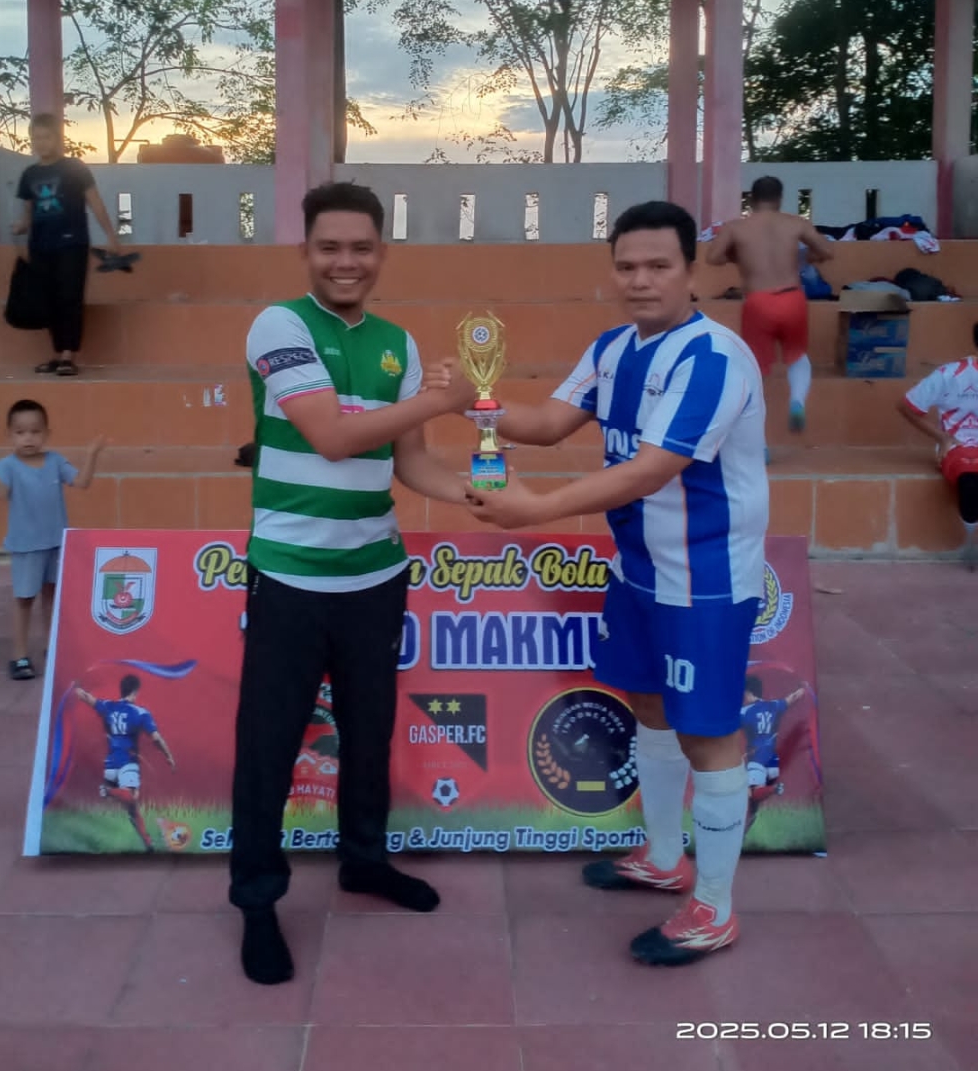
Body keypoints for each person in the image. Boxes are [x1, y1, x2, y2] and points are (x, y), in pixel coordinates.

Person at [460, 200, 768, 966]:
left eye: (658, 265)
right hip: (637, 569)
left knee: (707, 730)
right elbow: (546, 422)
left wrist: (533, 509)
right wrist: (470, 396)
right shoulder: (612, 348)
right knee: (648, 704)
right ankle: (663, 857)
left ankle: (714, 907)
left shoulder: (714, 358)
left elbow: (648, 469)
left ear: (690, 270)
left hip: (704, 581)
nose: (639, 279)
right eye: (626, 265)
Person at [230, 180, 471, 985]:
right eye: (329, 247)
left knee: (368, 735)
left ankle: (364, 860)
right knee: (269, 745)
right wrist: (437, 399)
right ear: (305, 251)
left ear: (381, 253)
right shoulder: (280, 325)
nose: (346, 261)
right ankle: (256, 900)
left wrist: (480, 493)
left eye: (361, 247)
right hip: (290, 577)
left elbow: (412, 464)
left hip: (375, 575)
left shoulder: (397, 342)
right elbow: (332, 436)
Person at [0, 399, 105, 679]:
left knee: (52, 596)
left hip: (56, 543)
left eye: (35, 431)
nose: (28, 438)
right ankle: (19, 656)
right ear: (9, 435)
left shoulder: (55, 461)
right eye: (20, 432)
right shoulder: (8, 466)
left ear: (47, 433)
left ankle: (53, 646)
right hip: (26, 546)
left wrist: (92, 455)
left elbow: (81, 482)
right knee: (24, 599)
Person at [704, 175, 835, 433]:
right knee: (797, 354)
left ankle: (759, 440)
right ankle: (797, 401)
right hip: (793, 298)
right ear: (780, 199)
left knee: (755, 368)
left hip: (759, 302)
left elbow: (713, 257)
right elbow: (827, 251)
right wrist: (808, 257)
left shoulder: (736, 227)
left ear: (751, 200)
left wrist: (737, 257)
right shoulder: (795, 223)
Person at [13, 112, 121, 377]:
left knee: (69, 297)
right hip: (40, 246)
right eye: (36, 138)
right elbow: (28, 210)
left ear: (58, 138)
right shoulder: (29, 174)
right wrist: (22, 226)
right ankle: (57, 352)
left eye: (46, 137)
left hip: (72, 244)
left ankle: (68, 355)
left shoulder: (75, 169)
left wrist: (111, 236)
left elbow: (95, 202)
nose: (41, 143)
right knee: (48, 299)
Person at [898, 322, 978, 569]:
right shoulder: (949, 374)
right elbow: (906, 406)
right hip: (958, 446)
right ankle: (972, 543)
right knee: (971, 482)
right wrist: (941, 438)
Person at [73, 674, 176, 852]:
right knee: (132, 796)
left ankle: (148, 844)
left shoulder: (108, 707)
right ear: (135, 691)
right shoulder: (140, 713)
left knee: (131, 808)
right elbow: (156, 739)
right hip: (128, 762)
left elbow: (85, 697)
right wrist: (168, 756)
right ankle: (107, 791)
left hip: (111, 763)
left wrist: (74, 688)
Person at [741, 675, 806, 792]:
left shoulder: (745, 712)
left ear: (748, 692)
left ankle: (774, 789)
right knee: (759, 793)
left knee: (752, 793)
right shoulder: (774, 705)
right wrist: (802, 688)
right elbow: (792, 698)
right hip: (773, 761)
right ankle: (771, 789)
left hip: (757, 760)